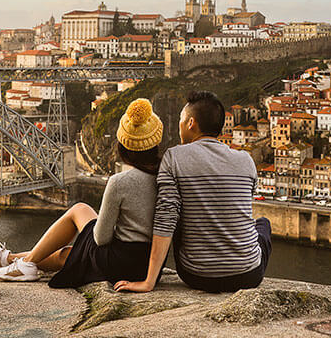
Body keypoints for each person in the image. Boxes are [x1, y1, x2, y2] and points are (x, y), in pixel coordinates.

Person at [0, 98, 163, 286]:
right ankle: (10, 260)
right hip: (150, 264)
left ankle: (17, 262)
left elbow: (101, 238)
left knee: (79, 211)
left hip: (120, 264)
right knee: (69, 254)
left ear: (123, 146)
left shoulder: (119, 182)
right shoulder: (167, 177)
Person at [114, 91, 272, 294]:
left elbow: (166, 217)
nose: (179, 125)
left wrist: (148, 281)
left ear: (190, 123)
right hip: (249, 276)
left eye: (181, 120)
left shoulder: (174, 157)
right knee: (263, 224)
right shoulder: (246, 160)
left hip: (196, 275)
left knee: (178, 212)